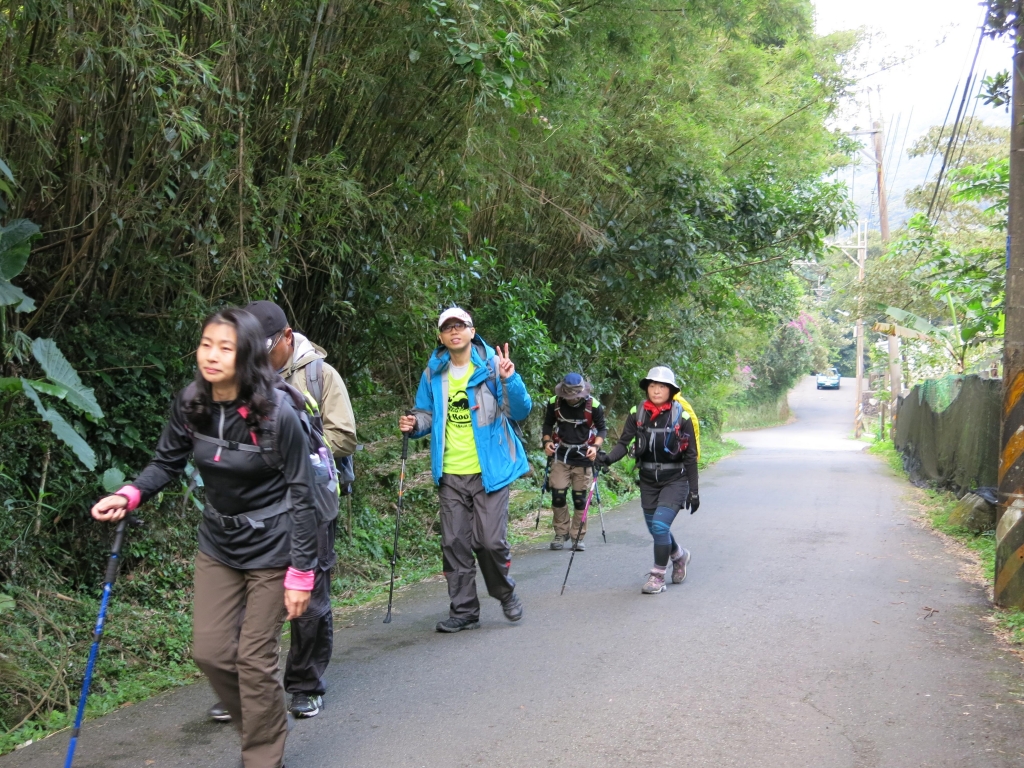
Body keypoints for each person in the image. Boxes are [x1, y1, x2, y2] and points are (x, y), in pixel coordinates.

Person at [90, 308, 318, 768]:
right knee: (211, 653)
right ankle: (267, 721)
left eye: (226, 347)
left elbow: (303, 494)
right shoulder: (193, 400)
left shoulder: (276, 415)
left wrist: (301, 573)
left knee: (255, 661)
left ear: (248, 354)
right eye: (206, 344)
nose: (211, 355)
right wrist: (130, 493)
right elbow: (166, 460)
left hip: (274, 546)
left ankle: (262, 756)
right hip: (219, 542)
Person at [196, 300, 352, 720]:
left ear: (286, 337)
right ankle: (242, 687)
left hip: (309, 500)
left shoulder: (321, 376)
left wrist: (294, 446)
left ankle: (305, 684)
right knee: (243, 598)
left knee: (310, 597)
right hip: (253, 508)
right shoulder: (234, 377)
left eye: (265, 347)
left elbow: (345, 436)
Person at [398, 307, 533, 632]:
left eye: (461, 326)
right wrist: (415, 423)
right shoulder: (433, 373)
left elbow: (520, 410)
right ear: (441, 336)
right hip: (450, 473)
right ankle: (464, 610)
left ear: (472, 332)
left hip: (490, 471)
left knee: (489, 542)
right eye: (448, 328)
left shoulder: (491, 367)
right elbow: (426, 413)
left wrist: (509, 379)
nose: (454, 331)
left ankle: (504, 592)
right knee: (454, 543)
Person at [599, 366, 699, 594]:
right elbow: (624, 444)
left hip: (675, 480)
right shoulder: (638, 413)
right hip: (648, 480)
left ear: (671, 390)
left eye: (661, 386)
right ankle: (680, 556)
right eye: (652, 385)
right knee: (656, 529)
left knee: (660, 526)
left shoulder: (681, 417)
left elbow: (690, 456)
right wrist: (606, 460)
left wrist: (694, 491)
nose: (656, 390)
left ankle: (657, 577)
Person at [541, 373, 606, 551]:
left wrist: (596, 447)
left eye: (576, 395)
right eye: (569, 395)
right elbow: (547, 424)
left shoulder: (593, 405)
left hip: (583, 456)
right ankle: (561, 533)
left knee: (580, 499)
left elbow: (602, 430)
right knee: (558, 494)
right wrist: (547, 442)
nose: (572, 398)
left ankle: (577, 535)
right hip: (561, 454)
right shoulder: (555, 402)